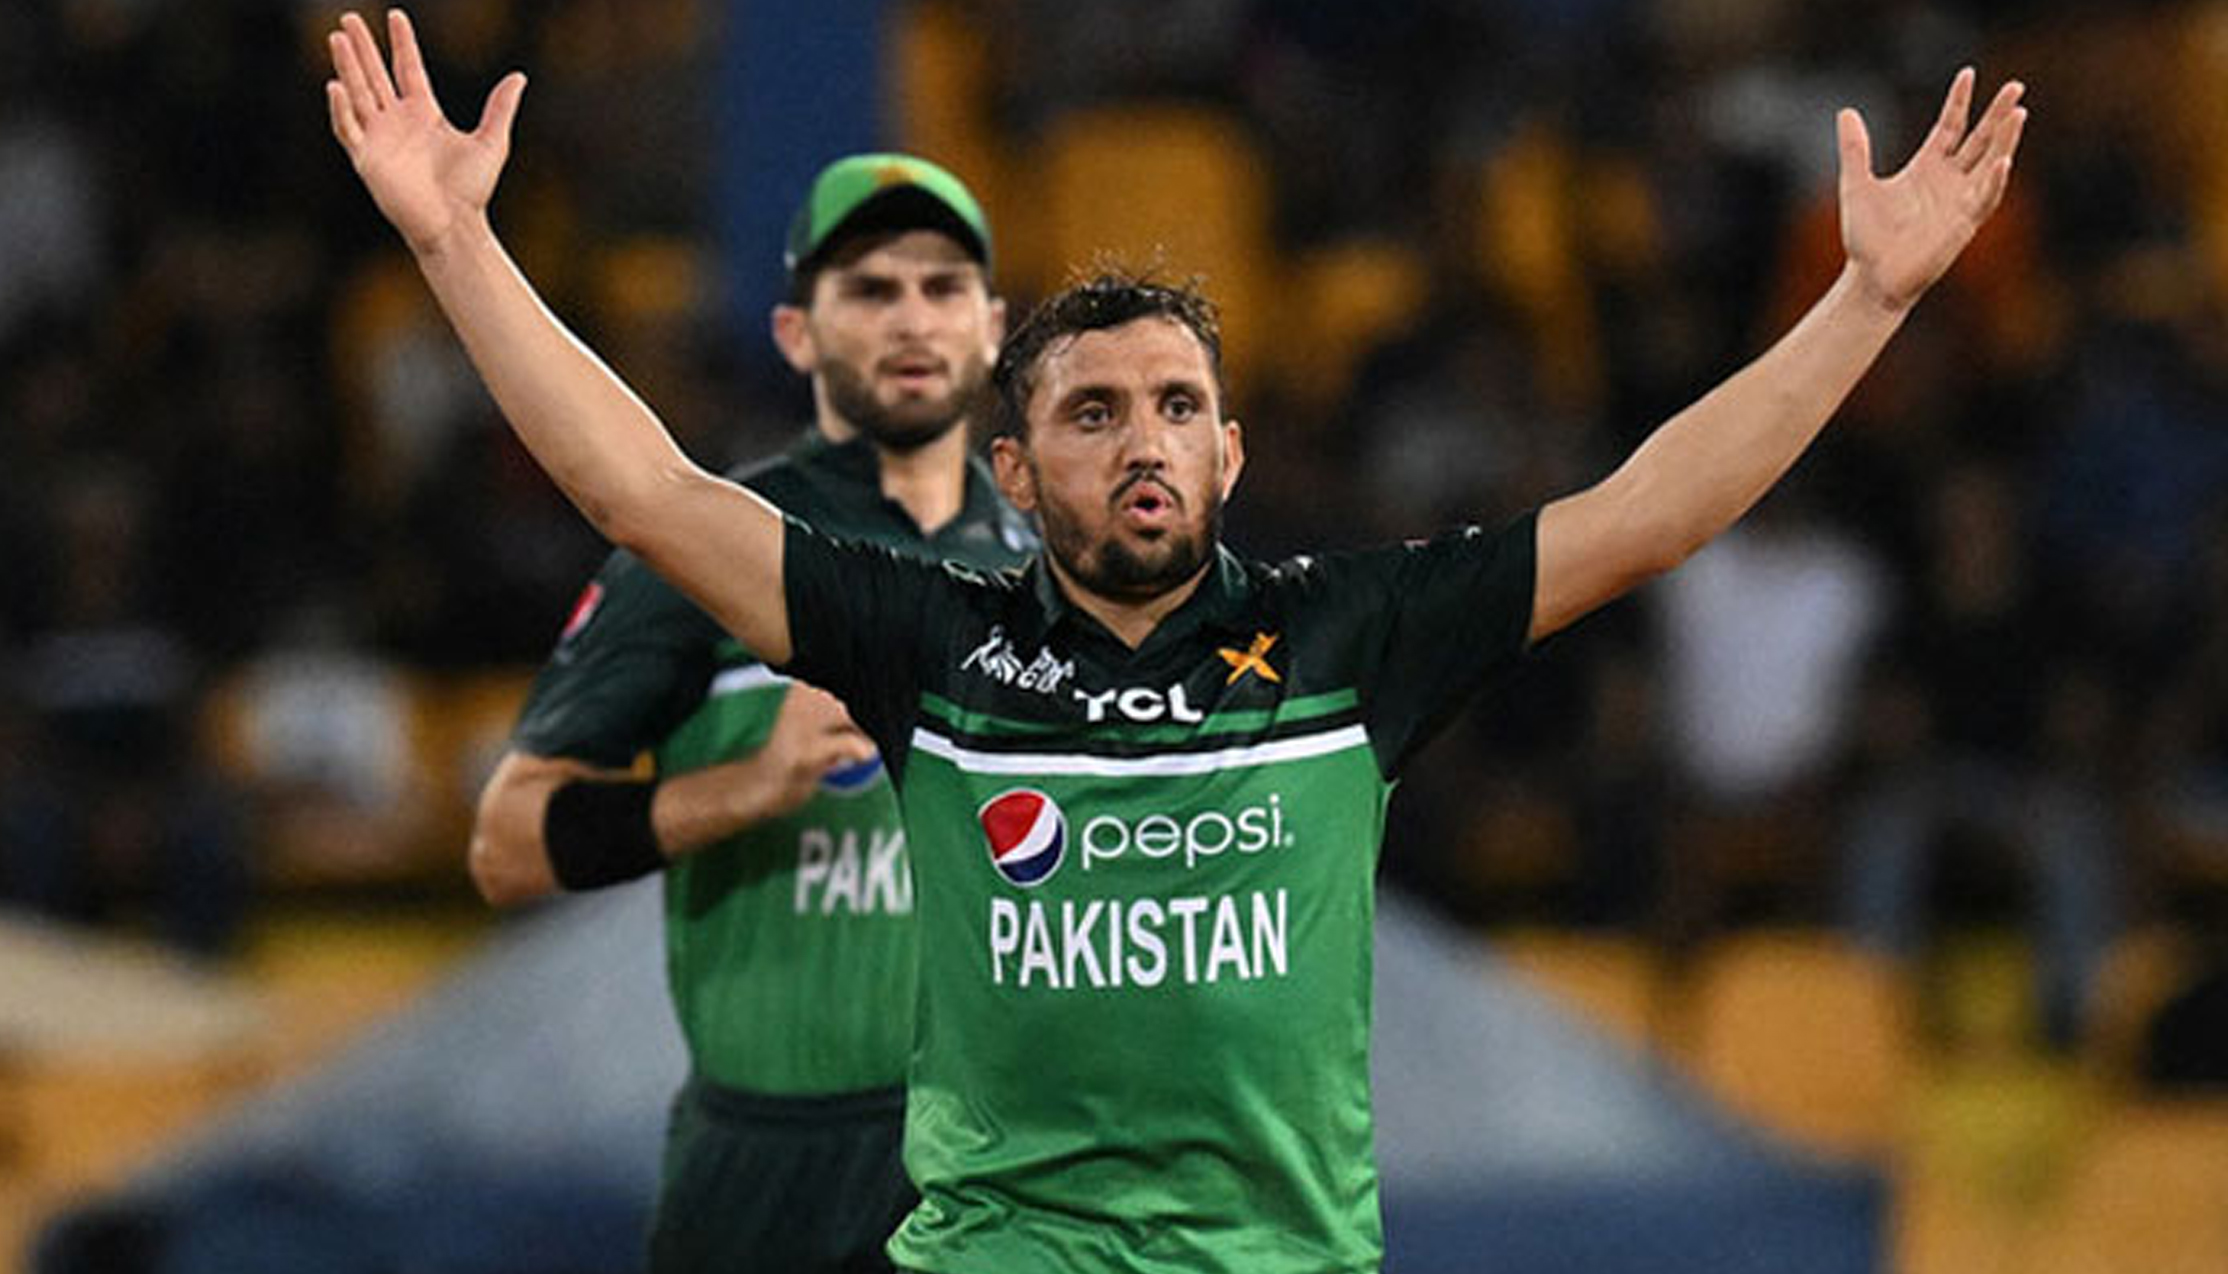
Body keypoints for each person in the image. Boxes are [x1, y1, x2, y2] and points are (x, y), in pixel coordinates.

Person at [324, 9, 2025, 1270]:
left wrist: (1866, 298)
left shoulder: (1351, 634)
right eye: (1091, 411)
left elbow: (1649, 510)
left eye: (1177, 406)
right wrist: (454, 240)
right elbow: (642, 491)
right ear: (1012, 469)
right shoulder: (929, 644)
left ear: (1229, 454)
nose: (1141, 438)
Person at [462, 147, 1035, 1271]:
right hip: (767, 1170)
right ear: (796, 333)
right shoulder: (714, 547)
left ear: (991, 327)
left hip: (994, 1156)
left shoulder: (1056, 572)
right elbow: (504, 844)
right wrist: (746, 788)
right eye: (868, 289)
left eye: (942, 285)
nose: (910, 318)